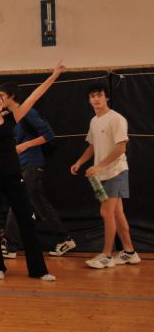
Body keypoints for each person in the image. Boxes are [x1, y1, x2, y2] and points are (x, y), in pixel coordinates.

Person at [0, 61, 66, 281]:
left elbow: (33, 97)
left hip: (14, 178)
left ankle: (39, 270)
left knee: (27, 222)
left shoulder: (11, 118)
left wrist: (53, 76)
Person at [0, 82, 76, 258]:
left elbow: (49, 135)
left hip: (32, 164)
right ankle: (65, 238)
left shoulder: (28, 112)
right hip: (22, 165)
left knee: (18, 201)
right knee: (40, 205)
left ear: (11, 96)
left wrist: (25, 145)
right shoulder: (10, 117)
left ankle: (10, 245)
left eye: (1, 96)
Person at [70, 82, 140, 269]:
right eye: (92, 96)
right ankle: (129, 252)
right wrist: (80, 162)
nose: (96, 99)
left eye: (99, 95)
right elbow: (93, 145)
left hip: (116, 172)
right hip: (101, 175)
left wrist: (99, 166)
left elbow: (121, 148)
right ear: (89, 100)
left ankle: (107, 255)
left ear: (106, 97)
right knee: (117, 212)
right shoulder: (94, 121)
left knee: (106, 212)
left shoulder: (116, 119)